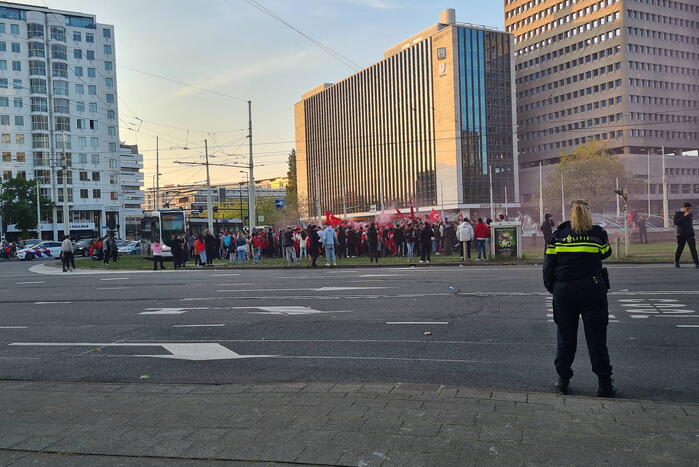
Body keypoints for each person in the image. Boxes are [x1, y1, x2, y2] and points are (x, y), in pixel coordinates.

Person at [543, 200, 616, 398]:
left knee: (566, 338)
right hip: (592, 289)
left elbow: (548, 265)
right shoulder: (598, 234)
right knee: (597, 339)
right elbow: (606, 253)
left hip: (564, 290)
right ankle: (604, 384)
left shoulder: (559, 235)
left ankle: (564, 380)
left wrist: (554, 288)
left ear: (571, 214)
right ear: (588, 214)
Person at [674, 202, 698, 268]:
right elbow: (676, 222)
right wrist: (684, 216)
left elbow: (690, 224)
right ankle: (676, 262)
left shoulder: (690, 214)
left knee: (693, 249)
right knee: (680, 248)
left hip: (690, 234)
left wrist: (693, 233)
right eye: (688, 208)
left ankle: (697, 263)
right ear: (684, 208)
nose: (689, 210)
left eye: (690, 208)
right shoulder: (678, 213)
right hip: (681, 234)